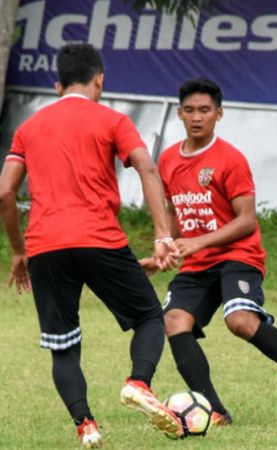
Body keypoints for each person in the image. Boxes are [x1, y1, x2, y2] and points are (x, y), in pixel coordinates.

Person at [0, 43, 182, 447]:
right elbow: (147, 168)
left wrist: (18, 251)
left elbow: (5, 194)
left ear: (57, 84)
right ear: (99, 79)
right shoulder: (113, 119)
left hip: (45, 246)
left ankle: (87, 426)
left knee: (63, 343)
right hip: (98, 238)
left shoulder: (28, 127)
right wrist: (162, 234)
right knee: (150, 316)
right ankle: (138, 382)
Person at [140, 78, 277, 428]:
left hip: (238, 256)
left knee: (240, 320)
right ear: (179, 113)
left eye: (204, 110)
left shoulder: (230, 159)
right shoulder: (169, 159)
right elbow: (175, 215)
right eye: (189, 110)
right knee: (173, 322)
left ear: (219, 114)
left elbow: (247, 221)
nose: (196, 117)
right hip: (198, 264)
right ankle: (215, 411)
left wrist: (198, 242)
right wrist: (165, 251)